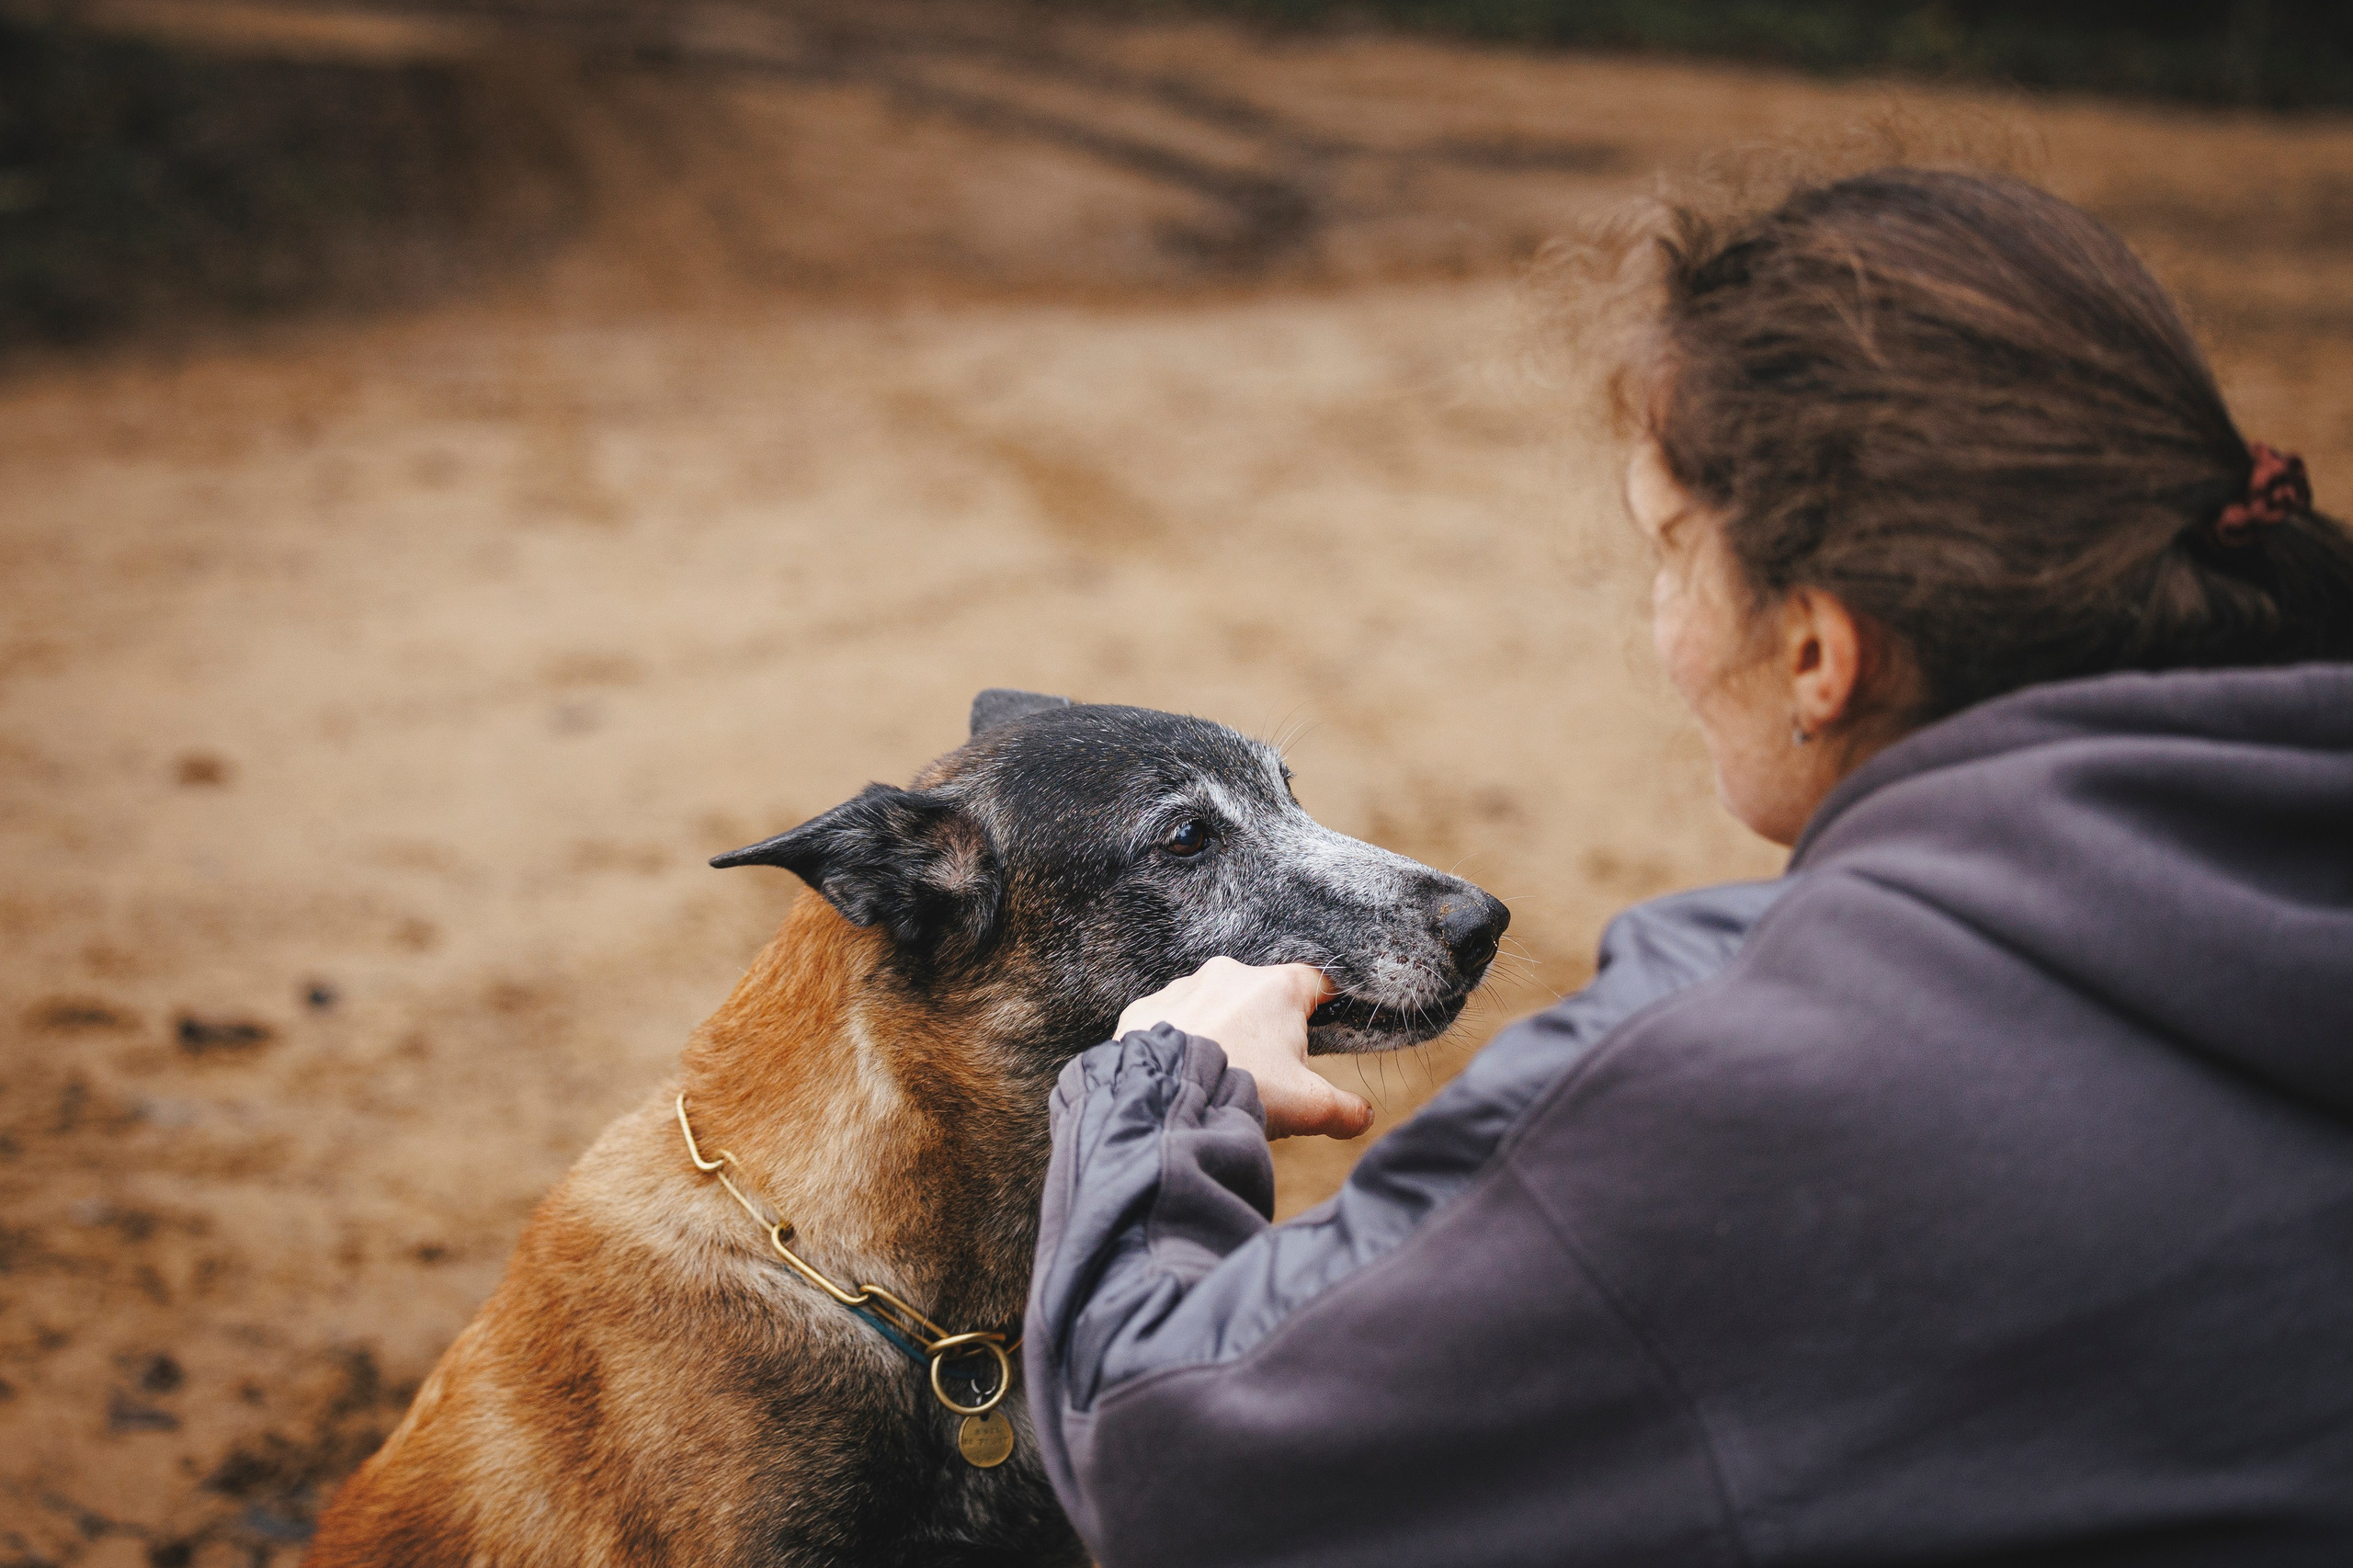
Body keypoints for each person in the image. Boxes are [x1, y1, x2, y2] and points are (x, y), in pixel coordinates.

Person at [1021, 167, 2353, 1567]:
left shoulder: (1742, 1074)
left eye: (1669, 549)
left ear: (1818, 650)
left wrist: (1168, 1086)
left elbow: (1169, 1454)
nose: (1659, 623)